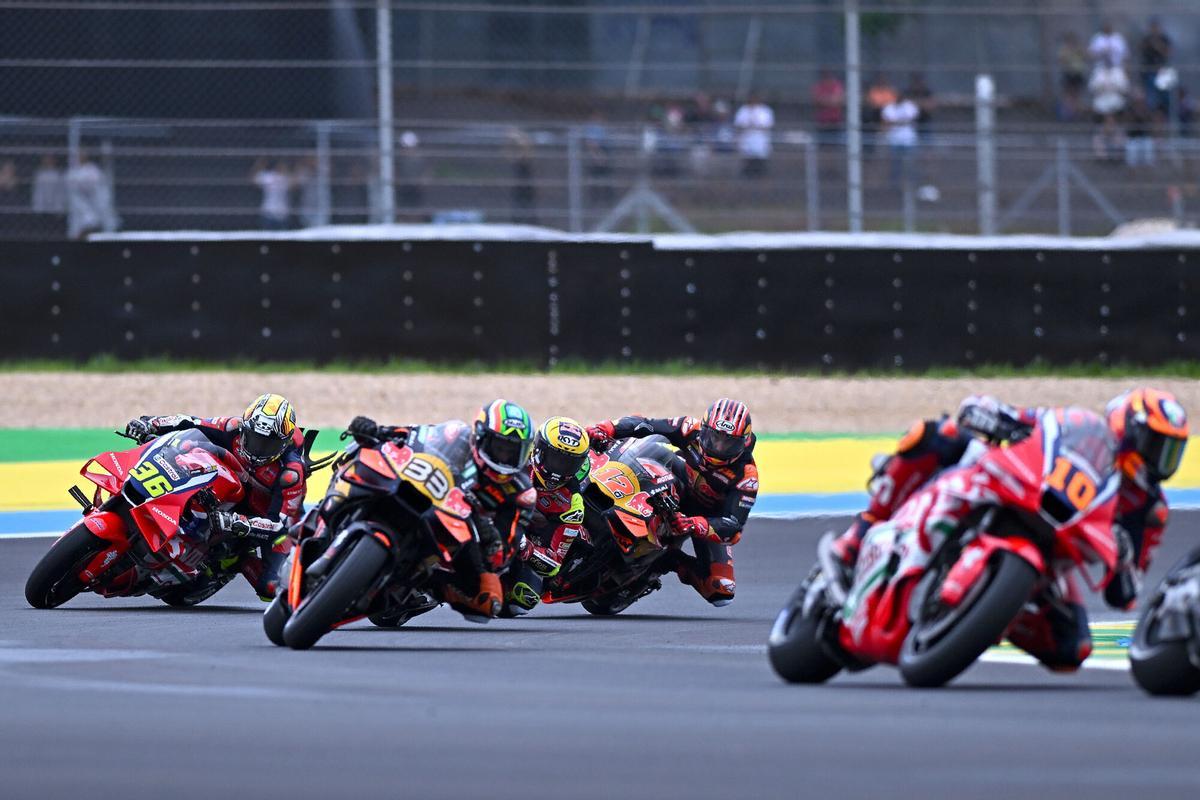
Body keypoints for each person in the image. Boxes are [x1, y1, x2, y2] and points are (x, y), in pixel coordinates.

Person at [831, 388, 1189, 671]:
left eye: (1171, 451)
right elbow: (1029, 423)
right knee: (938, 434)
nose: (1161, 460)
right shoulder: (1081, 427)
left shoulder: (1148, 509)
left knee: (1072, 647)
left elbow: (1124, 595)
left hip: (1054, 553)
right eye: (1156, 445)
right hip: (1013, 488)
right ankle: (863, 530)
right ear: (1128, 430)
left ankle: (988, 617)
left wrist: (1123, 560)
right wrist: (993, 415)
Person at [345, 399, 536, 621]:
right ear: (481, 437)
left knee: (489, 599)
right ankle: (326, 515)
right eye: (501, 447)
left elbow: (501, 556)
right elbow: (411, 436)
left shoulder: (520, 492)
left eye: (513, 451)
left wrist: (485, 532)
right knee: (362, 460)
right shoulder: (456, 435)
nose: (505, 456)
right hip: (422, 492)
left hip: (456, 540)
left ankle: (418, 591)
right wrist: (376, 431)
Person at [123, 393, 307, 600]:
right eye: (254, 439)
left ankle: (236, 560)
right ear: (245, 428)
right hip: (226, 487)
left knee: (272, 588)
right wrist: (151, 424)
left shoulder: (291, 473)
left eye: (268, 444)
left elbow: (282, 526)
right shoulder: (232, 427)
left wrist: (242, 523)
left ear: (283, 444)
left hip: (261, 516)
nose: (258, 449)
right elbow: (190, 422)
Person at [588, 399, 758, 607]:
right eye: (714, 438)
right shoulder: (689, 428)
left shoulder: (746, 476)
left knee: (720, 590)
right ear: (704, 430)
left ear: (743, 442)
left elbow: (733, 527)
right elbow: (646, 424)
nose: (719, 447)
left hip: (704, 517)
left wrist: (694, 524)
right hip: (674, 481)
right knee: (642, 451)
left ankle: (669, 560)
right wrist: (606, 428)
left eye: (728, 443)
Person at [509, 416, 593, 614]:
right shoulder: (514, 459)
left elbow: (553, 564)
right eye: (556, 459)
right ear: (539, 451)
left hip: (522, 543)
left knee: (523, 597)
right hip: (494, 518)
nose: (559, 469)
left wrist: (526, 548)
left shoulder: (573, 504)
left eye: (568, 464)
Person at [66, 151, 118, 240]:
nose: (81, 157)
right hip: (80, 205)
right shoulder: (72, 171)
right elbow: (72, 186)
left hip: (95, 203)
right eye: (79, 155)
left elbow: (95, 184)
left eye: (83, 154)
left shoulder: (93, 169)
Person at [1089, 61, 1129, 160]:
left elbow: (1125, 88)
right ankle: (1101, 155)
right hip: (1101, 106)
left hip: (1116, 106)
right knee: (1099, 133)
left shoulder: (1119, 72)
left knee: (1118, 131)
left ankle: (1118, 154)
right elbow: (1092, 87)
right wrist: (1103, 86)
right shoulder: (1097, 72)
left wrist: (1113, 86)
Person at [882, 90, 920, 189]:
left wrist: (896, 122)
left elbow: (913, 119)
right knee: (895, 165)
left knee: (910, 164)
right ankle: (894, 187)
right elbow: (886, 122)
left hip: (909, 141)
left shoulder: (910, 106)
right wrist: (903, 121)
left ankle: (912, 186)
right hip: (894, 140)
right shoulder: (889, 107)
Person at [733, 92, 774, 177]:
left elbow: (768, 125)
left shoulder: (765, 110)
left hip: (760, 140)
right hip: (746, 139)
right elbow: (738, 125)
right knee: (747, 160)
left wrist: (756, 125)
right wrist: (749, 125)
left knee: (760, 160)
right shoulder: (743, 110)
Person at [1139, 18, 1172, 114]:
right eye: (1152, 27)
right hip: (1150, 71)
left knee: (1166, 98)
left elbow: (1168, 53)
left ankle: (1166, 117)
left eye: (1156, 27)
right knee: (1151, 99)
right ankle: (1151, 118)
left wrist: (1157, 45)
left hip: (1163, 71)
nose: (1154, 29)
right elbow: (1140, 50)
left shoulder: (1165, 39)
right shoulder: (1146, 39)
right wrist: (1149, 44)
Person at [251, 158, 292, 230]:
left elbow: (296, 184)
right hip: (269, 213)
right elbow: (253, 179)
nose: (283, 167)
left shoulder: (287, 178)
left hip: (282, 214)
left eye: (284, 166)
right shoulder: (269, 176)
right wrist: (260, 164)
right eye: (281, 166)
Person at [1057, 32, 1090, 121]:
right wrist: (1069, 53)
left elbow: (1087, 56)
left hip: (1078, 73)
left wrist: (1079, 51)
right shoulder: (1064, 49)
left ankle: (1078, 114)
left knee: (1077, 94)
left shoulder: (1079, 48)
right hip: (1068, 73)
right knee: (1068, 94)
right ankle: (1068, 113)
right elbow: (1061, 59)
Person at [811, 70, 845, 144]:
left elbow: (838, 100)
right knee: (822, 142)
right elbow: (817, 100)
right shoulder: (819, 86)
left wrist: (825, 100)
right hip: (822, 120)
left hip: (835, 119)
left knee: (834, 142)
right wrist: (831, 100)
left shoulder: (836, 85)